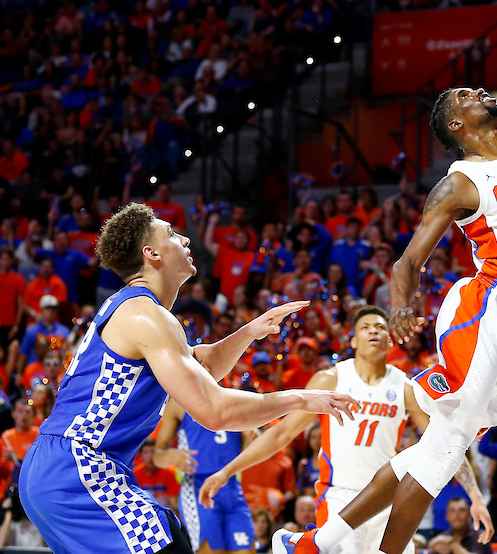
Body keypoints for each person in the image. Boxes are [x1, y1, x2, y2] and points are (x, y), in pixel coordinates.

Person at [276, 0, 497, 554]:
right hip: (486, 304)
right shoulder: (458, 183)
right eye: (462, 94)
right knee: (440, 455)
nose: (473, 90)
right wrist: (401, 307)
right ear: (458, 125)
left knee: (439, 448)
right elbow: (406, 263)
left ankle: (317, 545)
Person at [17, 203, 356, 554]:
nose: (185, 239)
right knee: (167, 540)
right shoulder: (144, 315)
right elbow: (215, 410)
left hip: (55, 468)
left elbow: (201, 365)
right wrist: (303, 399)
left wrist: (249, 332)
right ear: (151, 253)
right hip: (78, 465)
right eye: (172, 234)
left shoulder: (137, 310)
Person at [204, 307, 489, 554]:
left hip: (385, 501)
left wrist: (475, 496)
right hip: (338, 496)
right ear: (353, 340)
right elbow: (281, 434)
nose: (373, 332)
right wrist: (227, 471)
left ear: (390, 340)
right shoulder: (332, 378)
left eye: (380, 327)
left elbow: (442, 444)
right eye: (365, 328)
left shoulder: (405, 387)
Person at [156, 396, 253, 554]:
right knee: (211, 550)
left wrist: (252, 438)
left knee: (246, 550)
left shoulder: (236, 399)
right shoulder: (178, 403)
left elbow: (248, 445)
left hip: (232, 486)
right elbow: (157, 455)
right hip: (197, 487)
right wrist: (169, 456)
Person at [427, 496, 492, 554]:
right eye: (452, 511)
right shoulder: (442, 537)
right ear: (447, 516)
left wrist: (452, 543)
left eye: (461, 510)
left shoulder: (481, 536)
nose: (457, 515)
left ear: (470, 514)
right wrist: (433, 548)